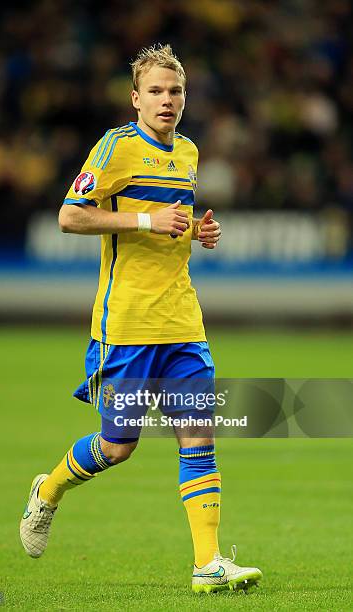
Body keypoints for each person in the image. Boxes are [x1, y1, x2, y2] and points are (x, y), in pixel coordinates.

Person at [19, 44, 262, 594]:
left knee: (198, 435)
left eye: (175, 91)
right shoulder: (115, 148)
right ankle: (48, 490)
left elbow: (166, 229)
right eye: (155, 91)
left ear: (185, 98)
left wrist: (194, 232)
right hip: (125, 326)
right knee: (117, 447)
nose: (166, 100)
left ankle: (208, 563)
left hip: (183, 322)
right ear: (136, 98)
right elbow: (69, 216)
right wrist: (146, 220)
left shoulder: (190, 154)